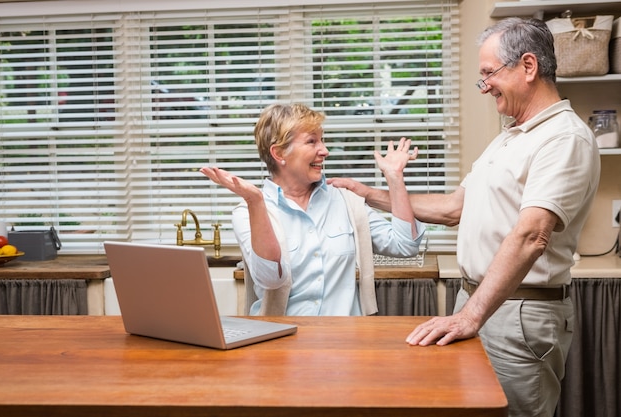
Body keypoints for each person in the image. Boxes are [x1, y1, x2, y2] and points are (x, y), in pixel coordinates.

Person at [329, 17, 600, 417]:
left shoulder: (564, 138)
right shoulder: (510, 135)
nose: (484, 85)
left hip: (518, 312)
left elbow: (532, 235)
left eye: (489, 73)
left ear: (528, 66)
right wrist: (372, 195)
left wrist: (469, 316)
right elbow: (456, 208)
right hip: (478, 302)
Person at [201, 103, 425, 316]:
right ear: (279, 154)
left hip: (344, 343)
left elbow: (405, 245)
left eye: (322, 140)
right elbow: (271, 280)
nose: (325, 150)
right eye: (312, 142)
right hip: (281, 343)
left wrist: (394, 177)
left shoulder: (345, 200)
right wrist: (256, 202)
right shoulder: (248, 210)